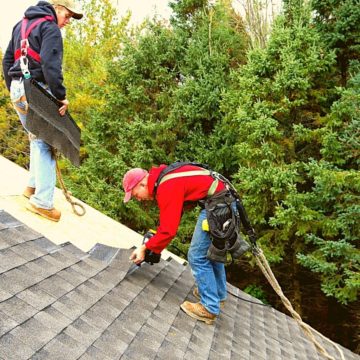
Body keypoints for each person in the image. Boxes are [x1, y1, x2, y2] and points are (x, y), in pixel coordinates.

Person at [2, 0, 83, 222]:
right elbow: (50, 66)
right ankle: (43, 202)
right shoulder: (50, 29)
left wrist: (15, 90)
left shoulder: (21, 25)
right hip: (36, 91)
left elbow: (8, 60)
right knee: (47, 143)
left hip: (19, 88)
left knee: (35, 137)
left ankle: (32, 187)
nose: (68, 22)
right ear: (57, 8)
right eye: (67, 15)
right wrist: (60, 96)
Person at [123, 163, 230, 325]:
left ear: (143, 183)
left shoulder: (167, 186)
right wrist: (154, 243)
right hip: (223, 199)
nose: (138, 199)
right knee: (210, 252)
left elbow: (168, 231)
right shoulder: (164, 178)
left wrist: (146, 248)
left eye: (135, 194)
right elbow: (170, 219)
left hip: (218, 204)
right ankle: (218, 294)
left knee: (196, 256)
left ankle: (209, 307)